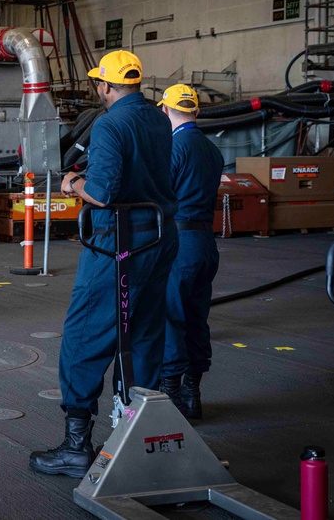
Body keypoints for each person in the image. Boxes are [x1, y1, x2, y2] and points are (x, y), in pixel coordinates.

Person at [29, 50, 179, 478]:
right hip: (160, 234)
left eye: (99, 83)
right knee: (145, 332)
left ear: (107, 86)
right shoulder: (157, 119)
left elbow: (104, 191)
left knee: (85, 333)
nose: (98, 89)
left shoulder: (111, 124)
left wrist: (73, 182)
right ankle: (134, 433)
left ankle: (77, 447)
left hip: (120, 241)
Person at [156, 84, 224, 419]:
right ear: (196, 111)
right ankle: (192, 392)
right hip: (205, 244)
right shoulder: (213, 151)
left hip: (178, 243)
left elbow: (160, 195)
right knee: (197, 317)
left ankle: (170, 394)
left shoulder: (173, 148)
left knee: (172, 317)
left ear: (165, 111)